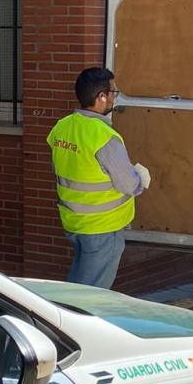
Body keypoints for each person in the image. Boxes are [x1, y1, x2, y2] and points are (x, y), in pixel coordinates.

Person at [47, 67, 151, 290]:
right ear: (101, 97)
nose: (115, 97)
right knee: (91, 298)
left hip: (75, 223)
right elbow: (127, 184)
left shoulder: (61, 128)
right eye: (113, 92)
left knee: (77, 289)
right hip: (103, 228)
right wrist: (140, 177)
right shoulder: (104, 137)